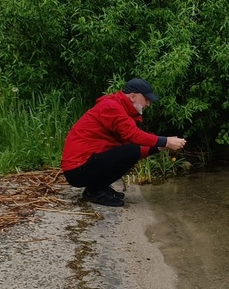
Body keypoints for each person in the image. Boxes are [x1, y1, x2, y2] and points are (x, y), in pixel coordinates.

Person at [60, 78, 186, 207]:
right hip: (77, 169)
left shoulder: (120, 108)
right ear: (132, 96)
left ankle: (99, 188)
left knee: (131, 150)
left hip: (82, 166)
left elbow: (131, 148)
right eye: (146, 99)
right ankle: (95, 191)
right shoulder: (111, 107)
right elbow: (133, 137)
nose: (148, 104)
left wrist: (160, 146)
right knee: (131, 150)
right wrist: (165, 141)